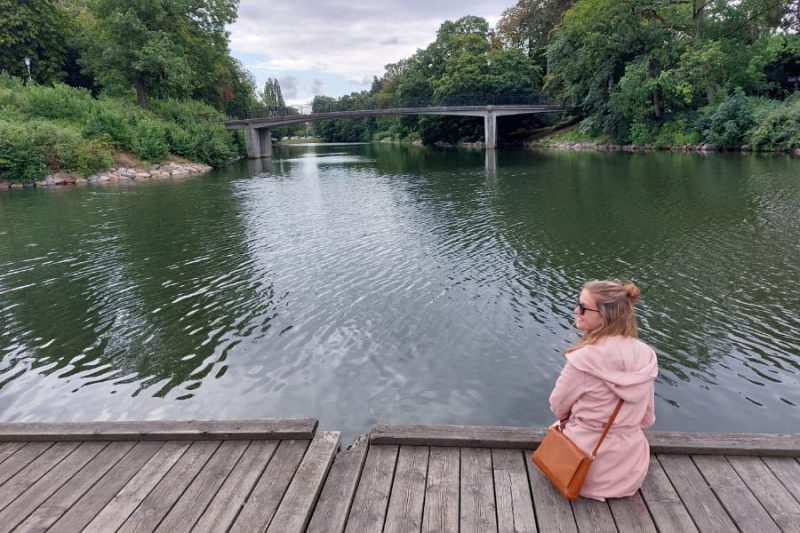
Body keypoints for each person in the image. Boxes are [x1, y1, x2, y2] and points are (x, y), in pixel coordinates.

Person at [548, 279, 658, 501]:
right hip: (630, 470)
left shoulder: (583, 360)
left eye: (582, 307)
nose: (575, 310)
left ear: (605, 316)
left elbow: (558, 407)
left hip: (582, 471)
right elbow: (647, 417)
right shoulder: (646, 355)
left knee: (556, 428)